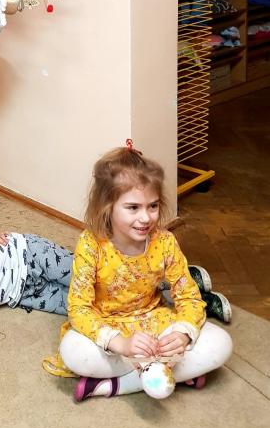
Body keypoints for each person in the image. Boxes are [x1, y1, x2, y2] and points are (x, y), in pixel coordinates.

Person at [43, 144, 233, 401]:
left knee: (221, 343)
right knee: (72, 352)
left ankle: (116, 385)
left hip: (155, 326)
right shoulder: (91, 244)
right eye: (133, 208)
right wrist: (121, 344)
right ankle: (168, 371)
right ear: (107, 206)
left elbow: (189, 297)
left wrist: (182, 334)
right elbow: (78, 309)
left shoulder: (164, 242)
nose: (145, 218)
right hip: (110, 329)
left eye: (153, 206)